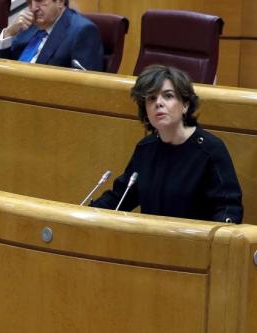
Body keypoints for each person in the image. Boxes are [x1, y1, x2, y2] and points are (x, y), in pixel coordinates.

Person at [91, 65, 244, 223]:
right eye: (151, 98)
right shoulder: (145, 149)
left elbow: (228, 209)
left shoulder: (209, 149)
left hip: (194, 244)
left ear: (185, 104)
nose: (159, 103)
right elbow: (120, 198)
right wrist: (86, 214)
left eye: (168, 96)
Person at [0, 0, 104, 72]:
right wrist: (8, 33)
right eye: (30, 2)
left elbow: (84, 86)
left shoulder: (83, 31)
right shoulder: (28, 24)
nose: (34, 8)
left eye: (40, 1)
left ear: (60, 2)